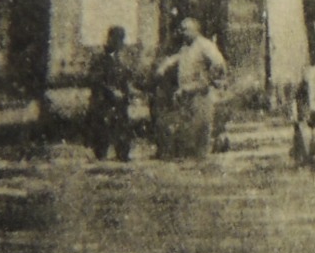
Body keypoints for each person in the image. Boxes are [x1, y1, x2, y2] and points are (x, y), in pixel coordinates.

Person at [154, 17, 228, 159]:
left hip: (201, 93)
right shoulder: (187, 46)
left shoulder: (205, 45)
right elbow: (179, 57)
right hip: (186, 92)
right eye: (181, 29)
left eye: (185, 29)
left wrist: (206, 81)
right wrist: (165, 65)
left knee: (201, 125)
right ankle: (190, 157)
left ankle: (200, 158)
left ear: (195, 30)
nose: (182, 32)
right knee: (188, 126)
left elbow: (219, 64)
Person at [87, 25, 137, 161]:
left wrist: (129, 90)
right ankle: (101, 154)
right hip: (104, 100)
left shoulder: (121, 58)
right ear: (110, 39)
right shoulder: (100, 58)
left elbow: (126, 78)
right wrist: (111, 91)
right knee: (103, 128)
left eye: (121, 39)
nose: (120, 43)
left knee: (122, 126)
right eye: (117, 39)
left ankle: (123, 154)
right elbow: (96, 79)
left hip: (120, 100)